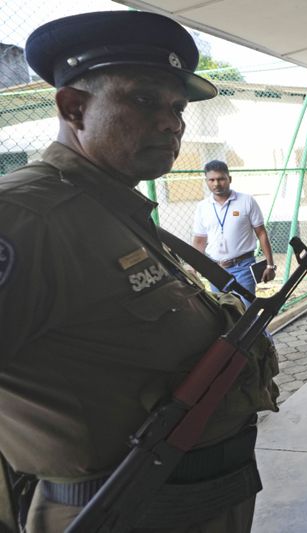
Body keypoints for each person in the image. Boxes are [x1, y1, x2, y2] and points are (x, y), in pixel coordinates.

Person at [0, 11, 279, 532]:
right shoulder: (27, 219)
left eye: (176, 108)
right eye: (144, 100)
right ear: (73, 107)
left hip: (194, 503)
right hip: (113, 509)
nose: (172, 123)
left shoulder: (111, 208)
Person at [192, 159, 276, 304]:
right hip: (216, 270)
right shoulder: (202, 207)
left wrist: (270, 265)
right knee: (226, 311)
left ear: (229, 179)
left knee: (248, 310)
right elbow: (200, 240)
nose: (216, 184)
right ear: (206, 181)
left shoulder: (246, 201)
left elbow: (261, 233)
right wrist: (193, 268)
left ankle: (259, 328)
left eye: (221, 179)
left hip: (243, 267)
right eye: (211, 180)